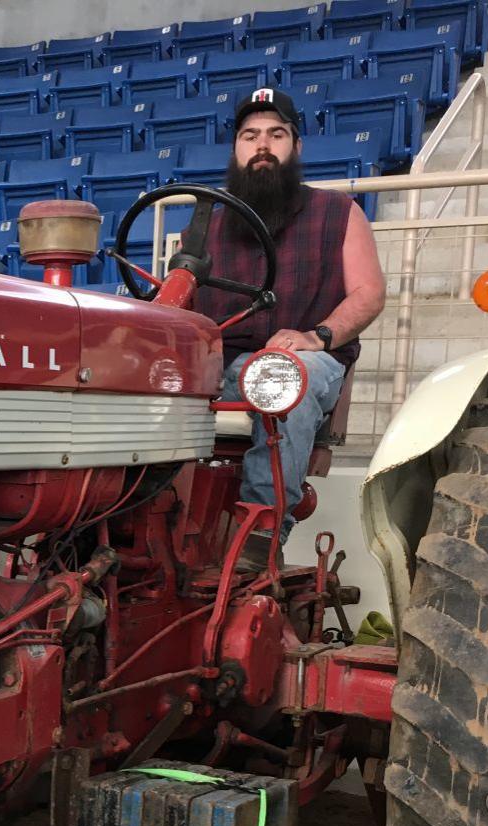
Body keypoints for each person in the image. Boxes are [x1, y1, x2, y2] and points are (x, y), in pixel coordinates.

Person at [186, 88, 387, 562]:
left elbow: (369, 294)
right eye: (250, 135)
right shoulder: (205, 226)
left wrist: (316, 336)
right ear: (236, 148)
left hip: (308, 357)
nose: (262, 145)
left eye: (276, 134)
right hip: (228, 363)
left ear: (296, 147)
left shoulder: (339, 214)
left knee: (283, 379)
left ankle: (261, 532)